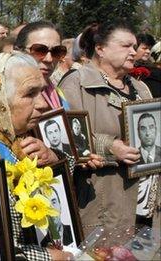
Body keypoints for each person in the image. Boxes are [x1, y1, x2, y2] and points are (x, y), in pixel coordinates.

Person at [0, 52, 83, 260]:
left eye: (42, 91)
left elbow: (62, 186)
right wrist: (47, 258)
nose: (44, 103)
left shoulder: (25, 134)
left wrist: (54, 158)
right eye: (30, 94)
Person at [59, 21, 156, 235]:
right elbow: (66, 139)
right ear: (100, 49)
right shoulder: (76, 84)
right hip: (102, 200)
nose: (133, 52)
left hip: (145, 203)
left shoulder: (140, 87)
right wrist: (111, 147)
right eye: (125, 46)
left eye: (134, 46)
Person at [15, 21, 69, 110]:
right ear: (18, 52)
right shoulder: (4, 96)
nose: (49, 59)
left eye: (56, 51)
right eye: (39, 50)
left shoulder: (59, 94)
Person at [132, 33, 161, 98]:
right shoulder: (128, 69)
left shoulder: (154, 68)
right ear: (135, 48)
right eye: (144, 48)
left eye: (150, 49)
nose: (148, 51)